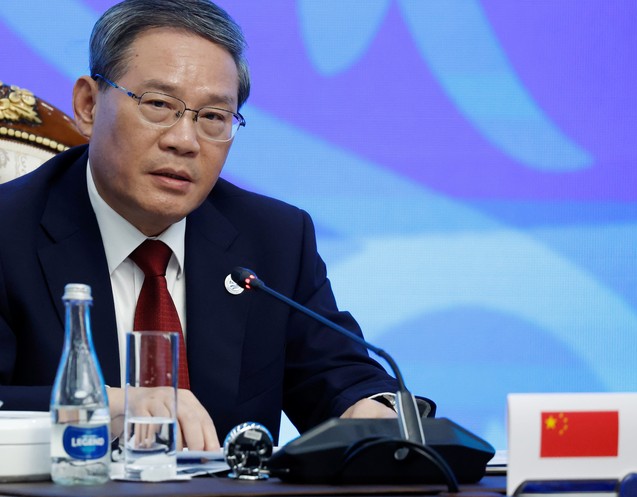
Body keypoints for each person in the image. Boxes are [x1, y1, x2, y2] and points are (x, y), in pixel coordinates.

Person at [0, 0, 431, 450]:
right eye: (158, 104)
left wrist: (369, 407)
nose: (184, 141)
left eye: (212, 117)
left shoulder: (274, 239)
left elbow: (337, 375)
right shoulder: (9, 234)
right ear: (88, 105)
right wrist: (107, 406)